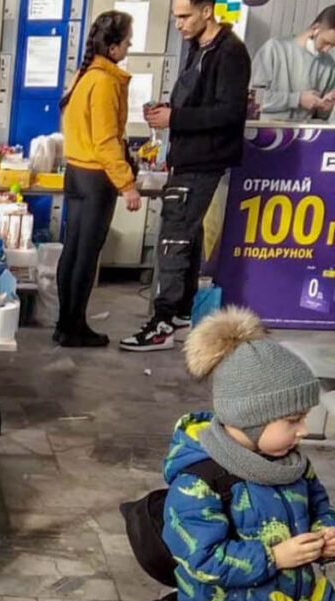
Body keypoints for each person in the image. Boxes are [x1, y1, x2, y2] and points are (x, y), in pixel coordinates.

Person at [161, 307, 335, 601]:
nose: (304, 430)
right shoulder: (199, 482)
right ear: (250, 418)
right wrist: (275, 557)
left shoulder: (292, 464)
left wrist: (326, 533)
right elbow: (203, 560)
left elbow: (319, 503)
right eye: (293, 420)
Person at [120, 0, 251, 352]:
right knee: (186, 239)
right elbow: (199, 104)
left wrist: (175, 119)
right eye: (176, 16)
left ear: (207, 11)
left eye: (184, 16)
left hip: (202, 164)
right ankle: (179, 312)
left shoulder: (230, 53)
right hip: (187, 160)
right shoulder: (198, 49)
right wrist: (167, 113)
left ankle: (161, 324)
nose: (178, 24)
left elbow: (230, 112)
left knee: (173, 241)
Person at [55, 11, 141, 348]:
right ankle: (74, 328)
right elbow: (106, 142)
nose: (130, 45)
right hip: (95, 178)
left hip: (75, 174)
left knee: (73, 251)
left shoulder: (85, 74)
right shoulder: (105, 82)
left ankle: (65, 325)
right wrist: (128, 185)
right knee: (86, 256)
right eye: (127, 40)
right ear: (114, 45)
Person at [251, 6, 335, 122]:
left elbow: (320, 118)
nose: (327, 49)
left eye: (333, 46)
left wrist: (325, 106)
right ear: (315, 28)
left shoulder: (329, 65)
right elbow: (254, 100)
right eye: (326, 42)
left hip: (304, 136)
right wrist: (298, 99)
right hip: (267, 133)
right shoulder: (274, 49)